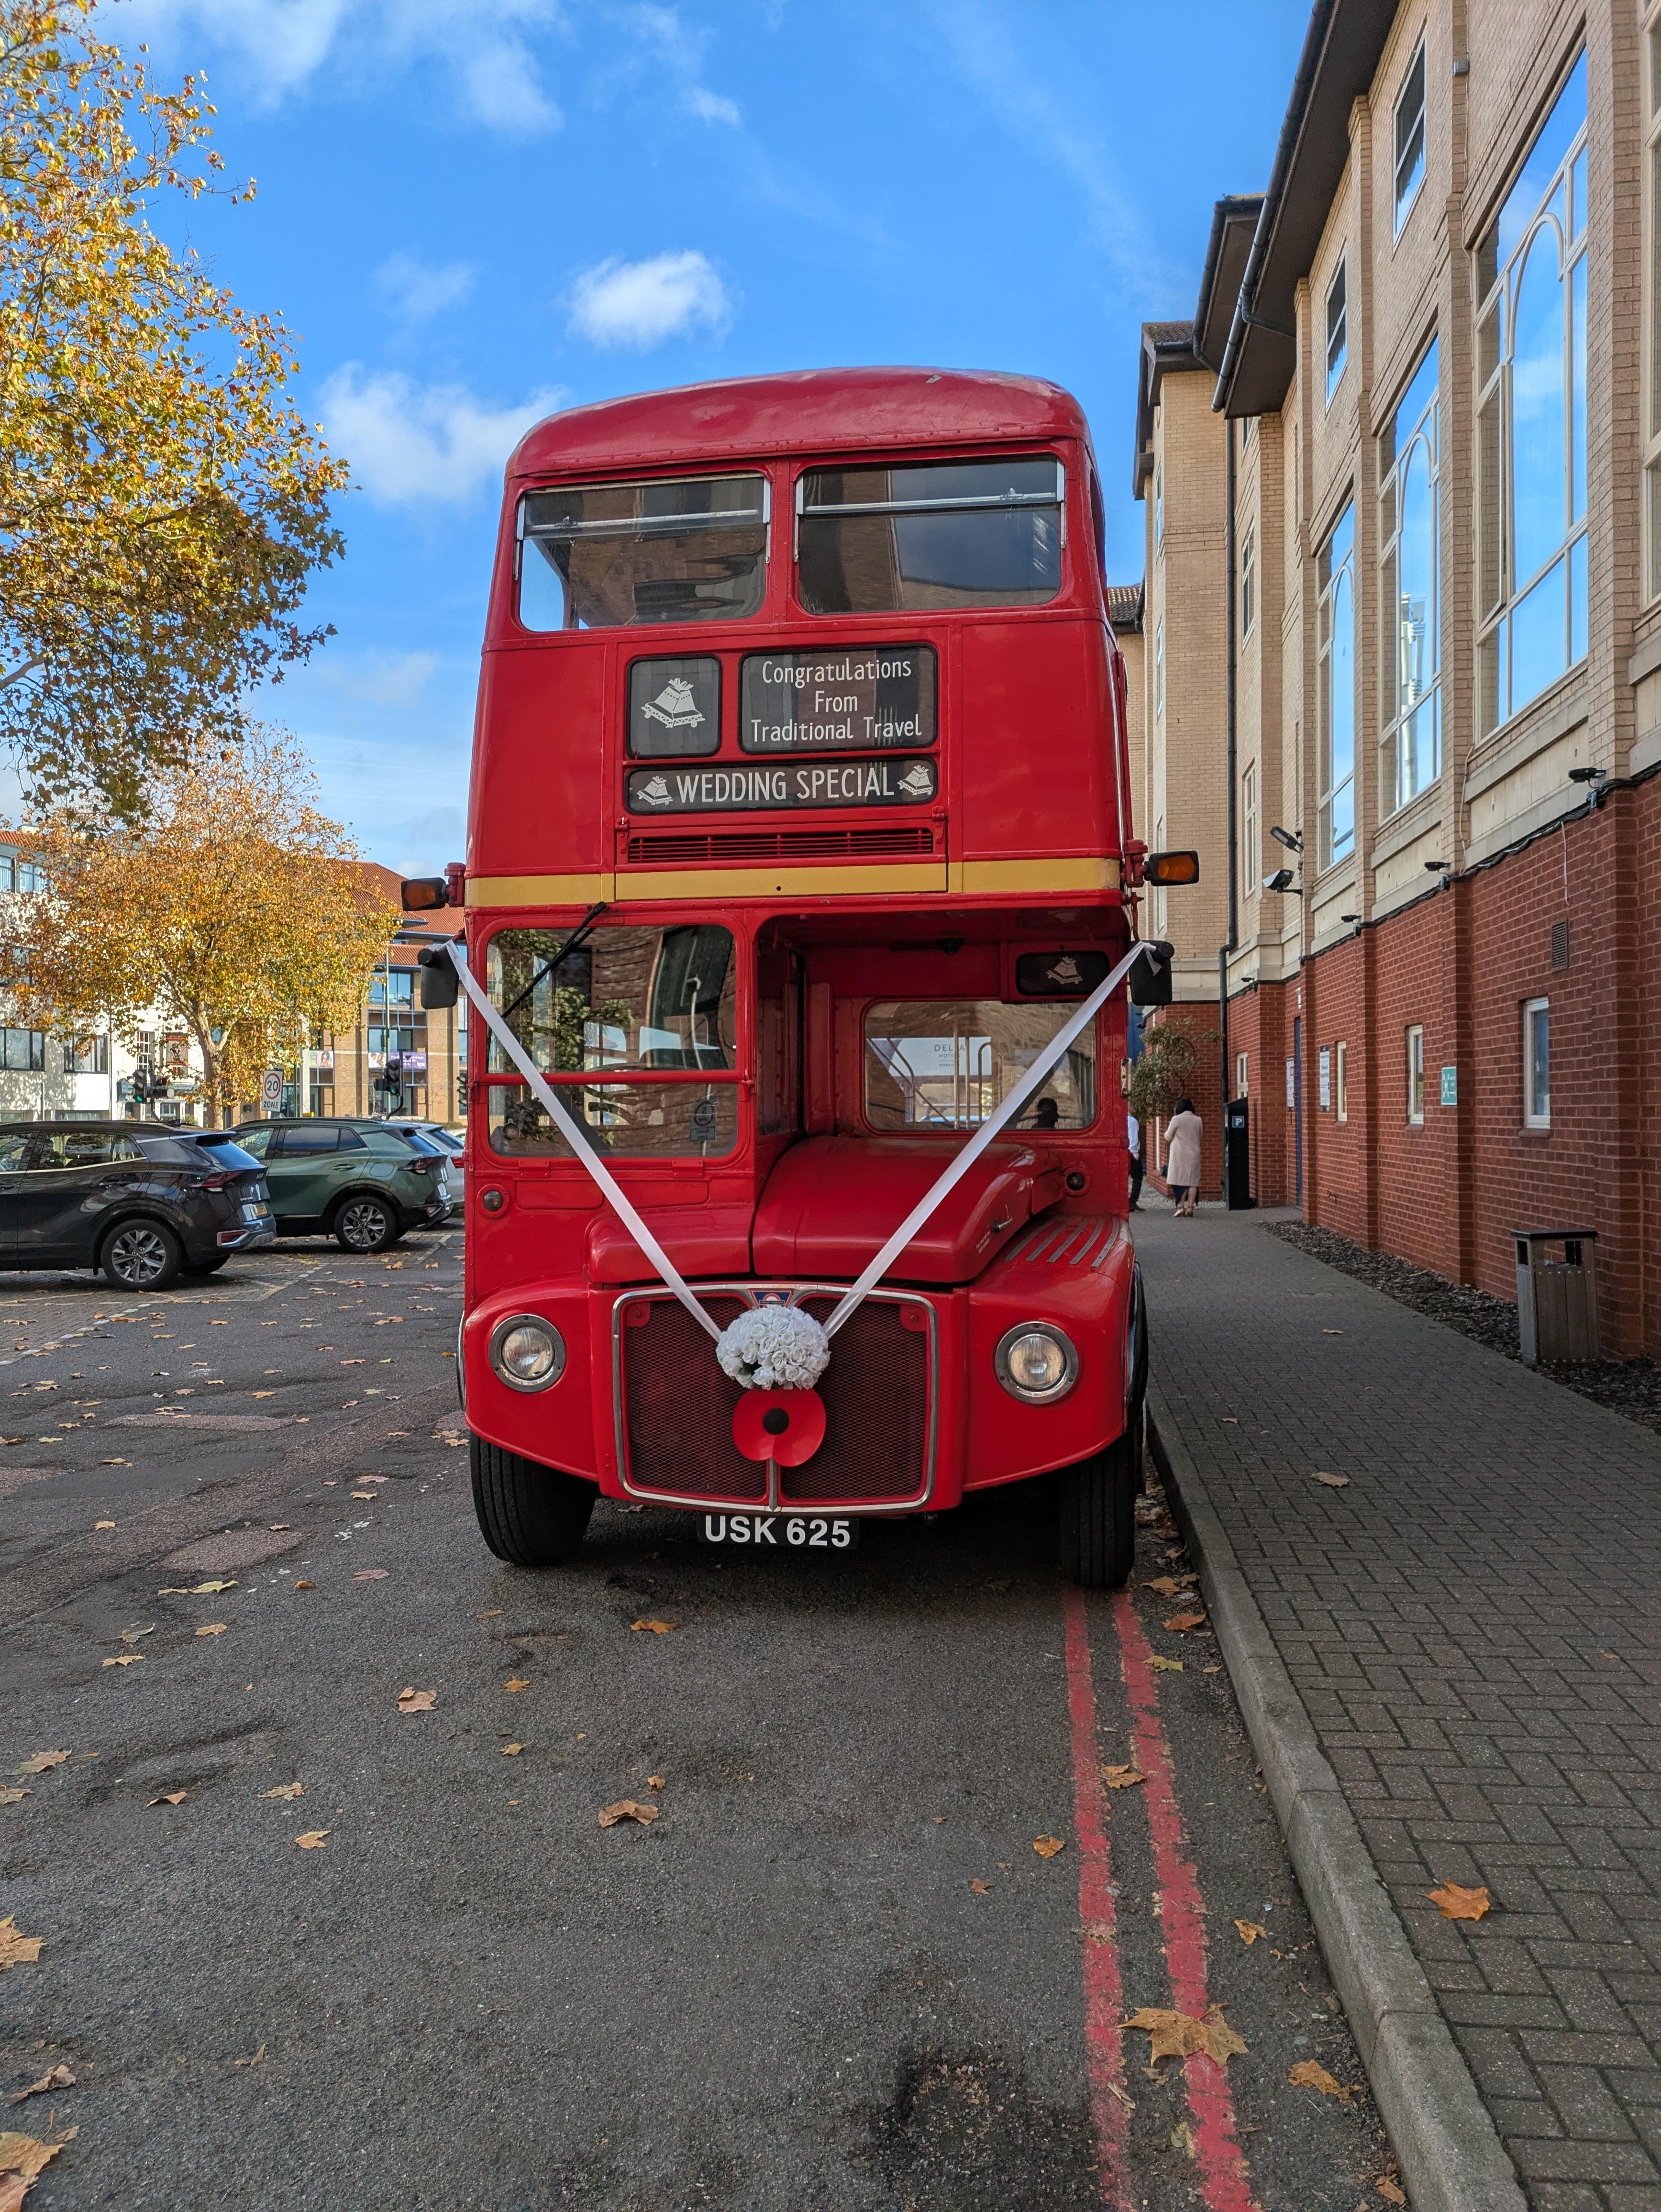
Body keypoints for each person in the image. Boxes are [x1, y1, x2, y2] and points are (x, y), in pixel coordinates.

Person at [1163, 1094, 1202, 1217]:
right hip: (1194, 1154)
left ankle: (1181, 1207)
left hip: (1179, 1155)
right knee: (1193, 1182)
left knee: (1178, 1181)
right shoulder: (1198, 1120)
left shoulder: (1177, 1119)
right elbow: (1200, 1136)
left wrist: (1165, 1133)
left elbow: (1168, 1137)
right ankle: (1191, 1207)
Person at [1126, 1106, 1143, 1210]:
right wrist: (1135, 1155)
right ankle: (1132, 1202)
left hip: (1124, 1152)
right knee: (1138, 1177)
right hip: (1131, 1153)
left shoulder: (1121, 1119)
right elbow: (1133, 1139)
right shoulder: (1132, 1121)